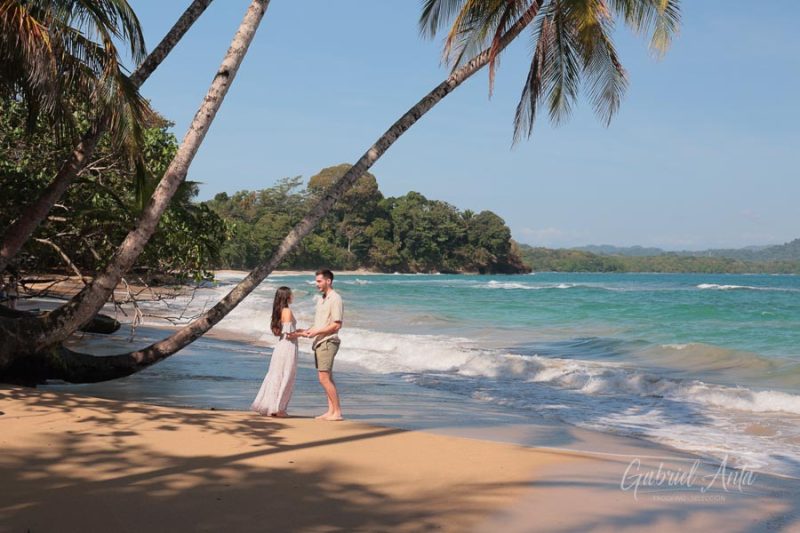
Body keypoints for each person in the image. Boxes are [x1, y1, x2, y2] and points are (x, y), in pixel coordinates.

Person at [251, 286, 302, 417]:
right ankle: (279, 409)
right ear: (287, 297)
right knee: (286, 375)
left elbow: (284, 331)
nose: (293, 296)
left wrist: (299, 331)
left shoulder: (278, 311)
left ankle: (272, 406)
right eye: (291, 294)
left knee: (276, 375)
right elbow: (290, 334)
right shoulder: (287, 311)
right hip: (288, 346)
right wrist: (304, 334)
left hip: (281, 346)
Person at [302, 269, 344, 421]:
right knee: (327, 378)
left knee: (323, 378)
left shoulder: (335, 299)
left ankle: (337, 412)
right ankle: (331, 411)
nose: (316, 284)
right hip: (319, 341)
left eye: (319, 281)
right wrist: (306, 332)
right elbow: (319, 324)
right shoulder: (321, 299)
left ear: (328, 281)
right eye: (316, 281)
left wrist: (317, 332)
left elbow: (336, 325)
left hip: (329, 341)